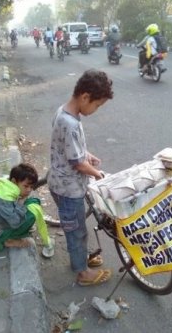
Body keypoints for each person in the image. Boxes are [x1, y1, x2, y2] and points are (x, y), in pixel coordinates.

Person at [48, 69, 115, 287]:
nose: (96, 110)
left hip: (63, 184)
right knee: (76, 231)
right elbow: (76, 163)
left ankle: (81, 258)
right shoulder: (70, 123)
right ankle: (82, 272)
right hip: (68, 190)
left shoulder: (65, 112)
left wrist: (87, 155)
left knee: (77, 228)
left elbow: (70, 149)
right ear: (85, 97)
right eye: (97, 105)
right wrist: (97, 174)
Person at [0, 163, 55, 257]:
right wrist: (21, 202)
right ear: (14, 181)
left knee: (34, 201)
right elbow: (14, 222)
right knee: (33, 212)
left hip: (1, 222)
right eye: (26, 186)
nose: (29, 190)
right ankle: (6, 241)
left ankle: (17, 233)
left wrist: (22, 201)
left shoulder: (7, 186)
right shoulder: (4, 198)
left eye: (31, 187)